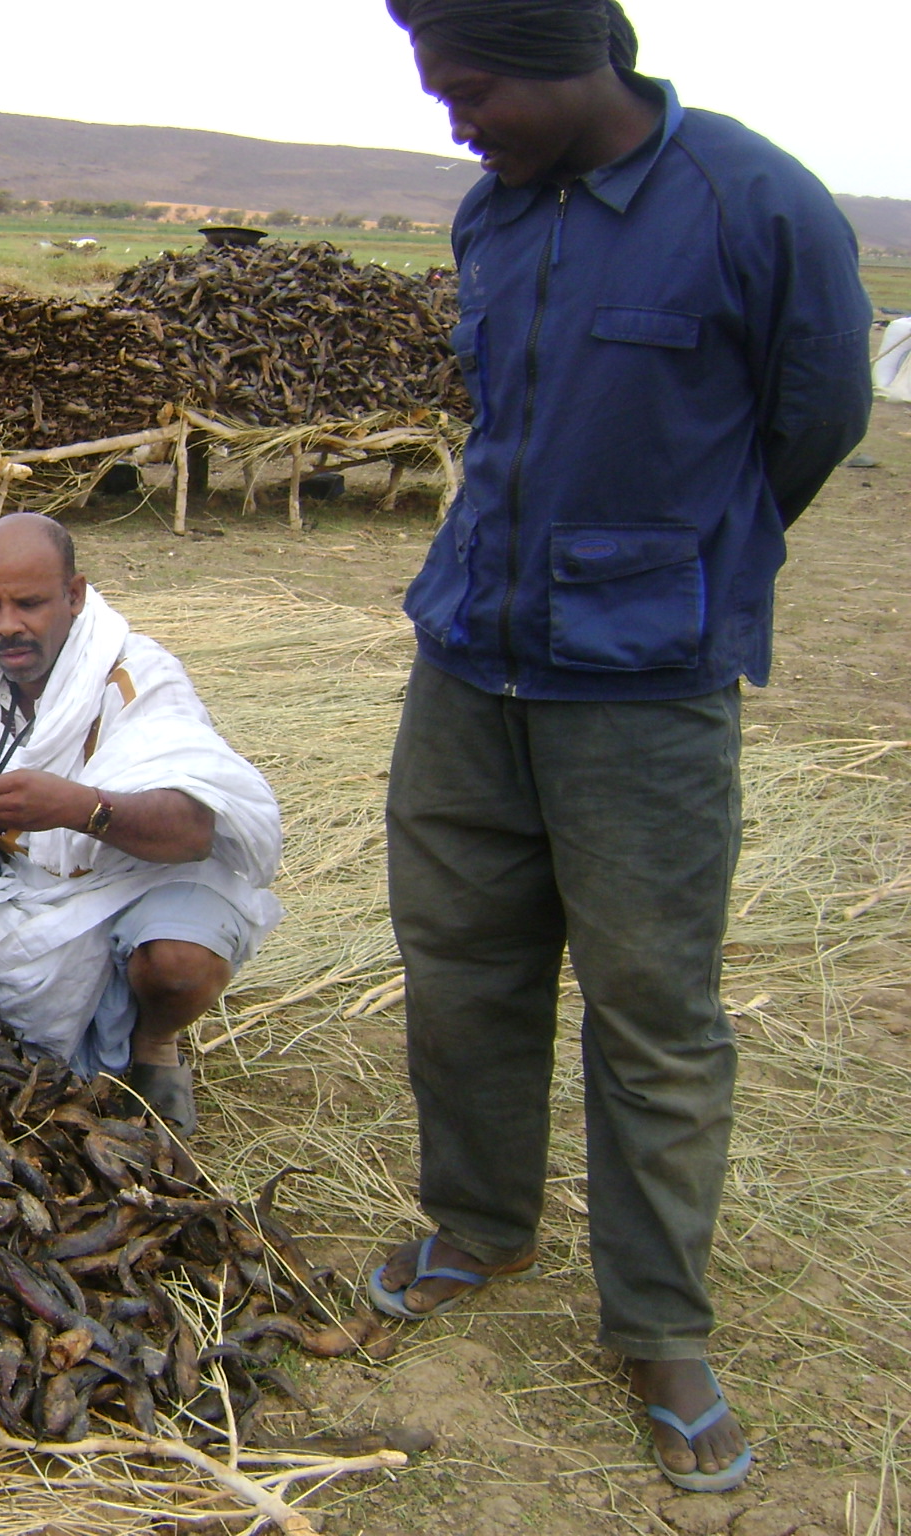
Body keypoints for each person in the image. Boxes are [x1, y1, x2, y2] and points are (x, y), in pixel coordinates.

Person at [374, 0, 872, 1496]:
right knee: (462, 963)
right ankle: (480, 1223)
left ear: (562, 60)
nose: (459, 123)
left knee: (654, 1017)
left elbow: (819, 414)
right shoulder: (492, 215)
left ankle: (659, 1329)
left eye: (470, 92)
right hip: (469, 662)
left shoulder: (750, 198)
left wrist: (679, 564)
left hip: (643, 692)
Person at [0, 513, 282, 1134]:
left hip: (125, 887)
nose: (5, 626)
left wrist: (75, 808)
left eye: (29, 603)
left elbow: (193, 828)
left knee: (178, 963)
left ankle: (154, 1042)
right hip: (11, 895)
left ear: (74, 594)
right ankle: (12, 1012)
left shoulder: (134, 675)